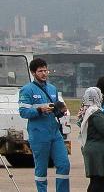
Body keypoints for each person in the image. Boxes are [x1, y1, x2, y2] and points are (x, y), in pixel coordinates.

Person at [18, 58, 71, 192]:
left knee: (64, 164)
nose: (44, 73)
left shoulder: (52, 88)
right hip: (38, 134)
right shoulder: (26, 90)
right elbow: (23, 112)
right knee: (41, 169)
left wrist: (61, 110)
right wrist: (39, 110)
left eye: (45, 70)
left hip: (54, 133)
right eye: (40, 71)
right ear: (33, 73)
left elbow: (56, 109)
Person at [78, 87, 104, 192]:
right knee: (98, 181)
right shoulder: (96, 112)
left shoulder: (87, 110)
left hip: (93, 149)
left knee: (95, 181)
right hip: (98, 152)